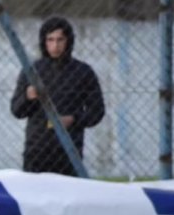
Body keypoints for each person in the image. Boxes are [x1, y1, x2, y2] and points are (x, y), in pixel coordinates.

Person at [10, 16, 105, 175]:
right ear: (43, 41)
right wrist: (28, 97)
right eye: (50, 40)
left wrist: (73, 119)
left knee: (70, 196)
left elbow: (97, 111)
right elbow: (16, 110)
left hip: (69, 149)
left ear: (68, 41)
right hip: (37, 150)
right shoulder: (32, 70)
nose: (55, 45)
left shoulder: (83, 72)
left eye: (60, 39)